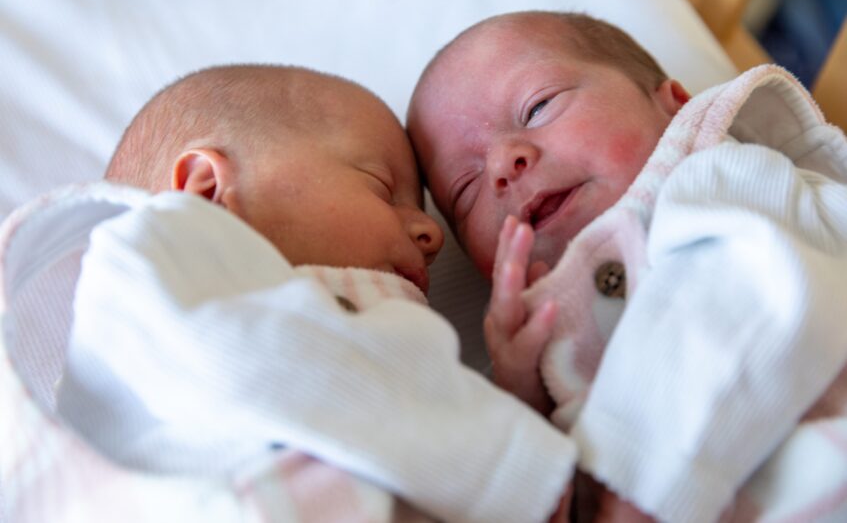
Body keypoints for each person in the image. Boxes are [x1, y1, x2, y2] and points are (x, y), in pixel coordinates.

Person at [53, 64, 578, 522]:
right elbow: (264, 369)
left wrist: (514, 396)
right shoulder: (140, 262)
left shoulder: (391, 349)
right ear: (206, 192)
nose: (431, 234)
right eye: (379, 186)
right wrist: (524, 472)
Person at [407, 11, 847, 521]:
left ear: (672, 105)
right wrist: (527, 394)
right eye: (465, 189)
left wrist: (637, 486)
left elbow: (758, 295)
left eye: (538, 107)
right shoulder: (557, 316)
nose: (503, 163)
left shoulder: (724, 179)